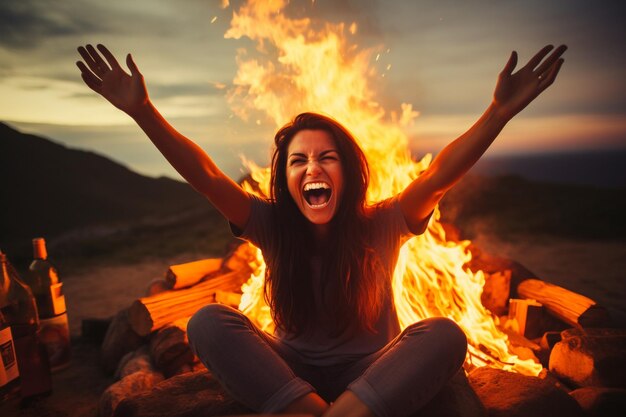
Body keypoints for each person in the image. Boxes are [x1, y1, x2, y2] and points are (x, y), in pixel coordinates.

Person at [76, 43, 566, 417]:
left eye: (327, 157)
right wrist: (143, 110)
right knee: (206, 322)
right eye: (299, 160)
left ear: (347, 173)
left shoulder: (383, 221)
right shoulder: (269, 223)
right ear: (285, 179)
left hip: (375, 369)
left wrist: (499, 111)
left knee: (444, 334)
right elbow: (206, 177)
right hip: (289, 368)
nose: (313, 167)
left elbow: (439, 176)